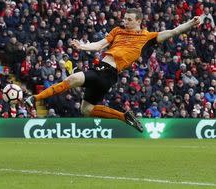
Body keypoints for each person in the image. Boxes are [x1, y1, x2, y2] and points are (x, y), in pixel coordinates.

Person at [25, 8, 201, 132]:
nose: (125, 21)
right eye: (124, 18)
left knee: (72, 80)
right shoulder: (117, 31)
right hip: (101, 70)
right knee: (86, 109)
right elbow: (99, 45)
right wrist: (82, 46)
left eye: (129, 19)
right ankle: (124, 117)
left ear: (139, 21)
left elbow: (174, 31)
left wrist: (191, 23)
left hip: (108, 72)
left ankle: (35, 98)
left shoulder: (147, 37)